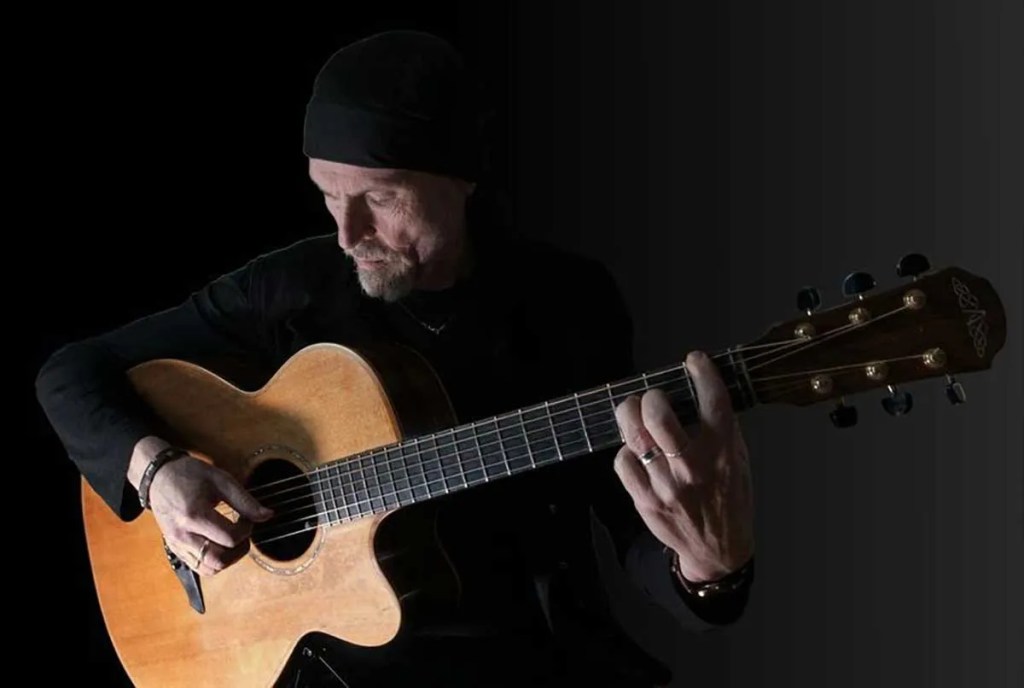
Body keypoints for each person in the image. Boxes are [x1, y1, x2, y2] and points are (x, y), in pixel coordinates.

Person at [35, 30, 755, 687]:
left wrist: (709, 569)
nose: (348, 234)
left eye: (379, 199)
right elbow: (69, 376)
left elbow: (631, 520)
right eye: (327, 196)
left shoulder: (568, 301)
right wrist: (157, 471)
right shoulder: (290, 289)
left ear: (461, 179)